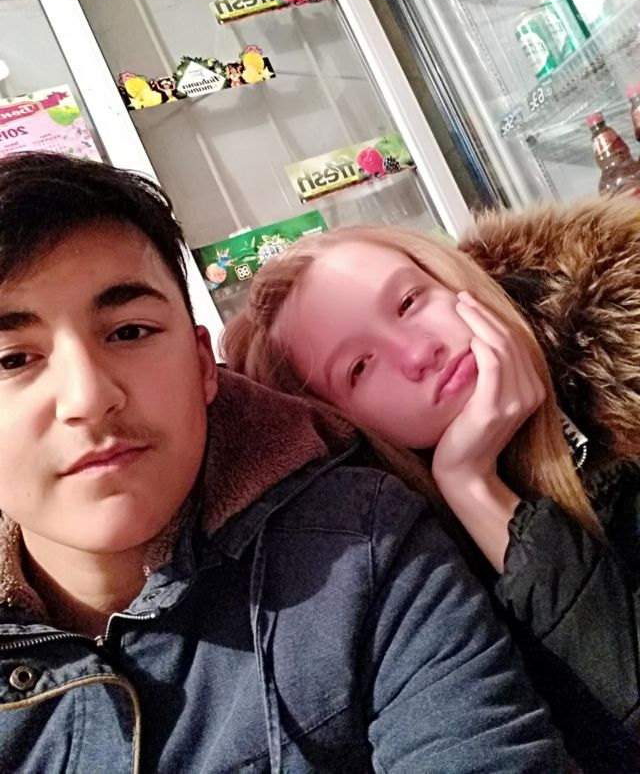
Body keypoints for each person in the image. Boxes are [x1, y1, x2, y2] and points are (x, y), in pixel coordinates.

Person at [0, 151, 565, 774]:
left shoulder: (363, 547)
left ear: (202, 365)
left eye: (129, 331)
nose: (89, 397)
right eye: (12, 360)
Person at [222, 205, 640, 773]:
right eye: (359, 367)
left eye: (408, 302)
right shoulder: (405, 577)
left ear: (448, 276)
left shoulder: (622, 363)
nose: (419, 353)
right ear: (345, 423)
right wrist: (475, 488)